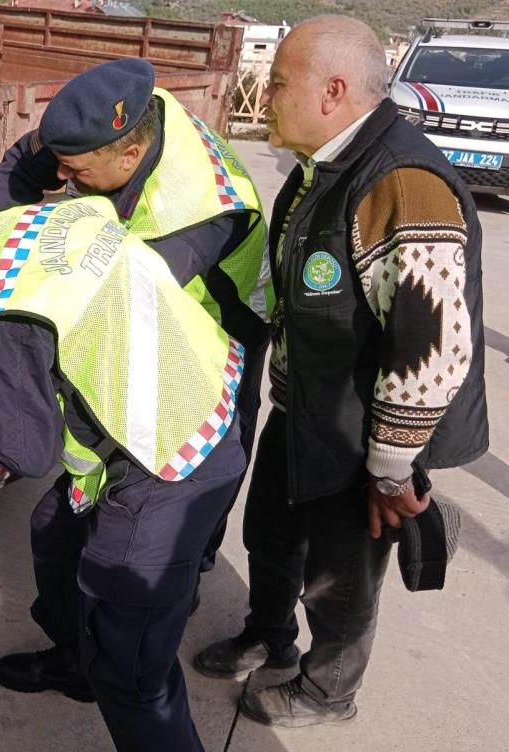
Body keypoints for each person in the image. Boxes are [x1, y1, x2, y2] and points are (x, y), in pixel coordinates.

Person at [0, 146, 247, 751]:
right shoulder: (55, 217)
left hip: (168, 463)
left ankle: (104, 670)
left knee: (132, 675)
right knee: (55, 529)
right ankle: (77, 664)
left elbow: (26, 453)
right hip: (202, 404)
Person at [192, 15, 488, 727]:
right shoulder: (319, 170)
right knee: (269, 536)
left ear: (331, 90)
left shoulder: (401, 183)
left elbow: (434, 346)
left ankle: (327, 693)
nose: (264, 97)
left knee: (341, 579)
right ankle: (269, 639)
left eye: (280, 83)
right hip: (304, 411)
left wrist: (390, 465)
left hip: (361, 434)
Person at [0, 58, 272, 577]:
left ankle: (185, 561)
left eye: (75, 174)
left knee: (203, 455)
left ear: (130, 157)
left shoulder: (196, 216)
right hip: (152, 279)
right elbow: (22, 168)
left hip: (221, 329)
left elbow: (109, 300)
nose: (61, 179)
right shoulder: (109, 124)